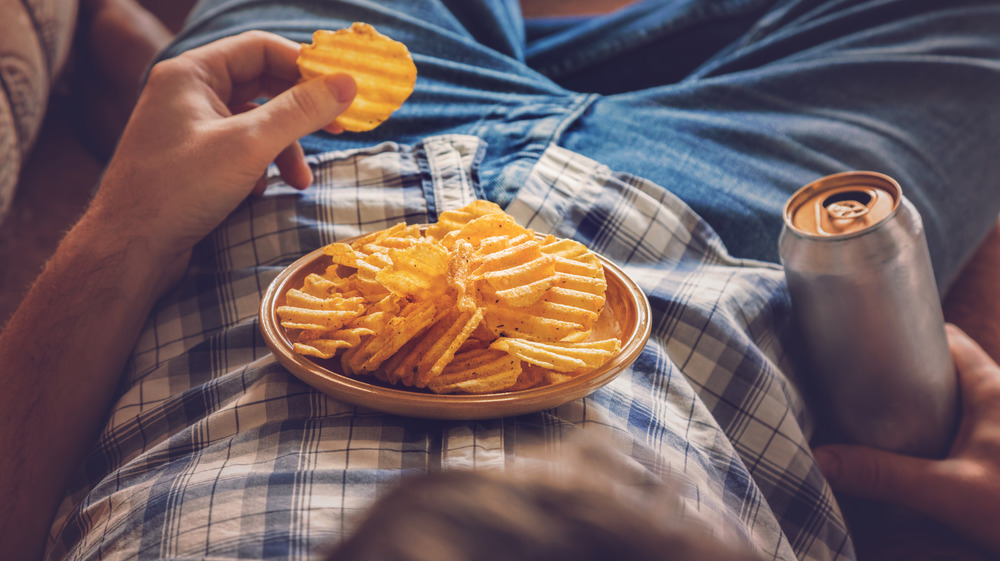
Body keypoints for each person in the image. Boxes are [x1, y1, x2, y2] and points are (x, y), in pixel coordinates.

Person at [1, 1, 999, 560]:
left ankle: (141, 69)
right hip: (719, 246)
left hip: (284, 186)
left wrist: (123, 228)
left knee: (256, 33)